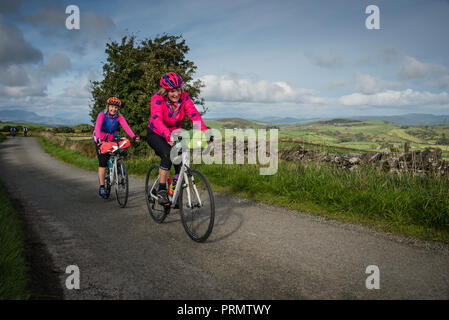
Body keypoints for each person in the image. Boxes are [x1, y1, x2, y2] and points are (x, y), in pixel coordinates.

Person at [147, 72, 213, 205]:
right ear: (166, 91)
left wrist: (205, 132)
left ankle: (174, 190)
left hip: (175, 132)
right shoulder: (158, 98)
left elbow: (194, 114)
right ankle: (161, 190)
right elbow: (156, 119)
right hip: (156, 133)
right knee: (167, 154)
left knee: (180, 162)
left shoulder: (184, 97)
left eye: (177, 90)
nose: (176, 94)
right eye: (172, 91)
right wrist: (167, 134)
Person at [93, 96, 140, 198]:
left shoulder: (119, 117)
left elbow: (126, 127)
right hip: (101, 138)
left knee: (121, 150)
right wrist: (98, 140)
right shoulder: (102, 115)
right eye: (112, 107)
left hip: (113, 138)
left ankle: (118, 166)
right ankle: (102, 186)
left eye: (116, 107)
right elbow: (97, 127)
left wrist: (133, 136)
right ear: (108, 106)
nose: (113, 109)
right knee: (102, 162)